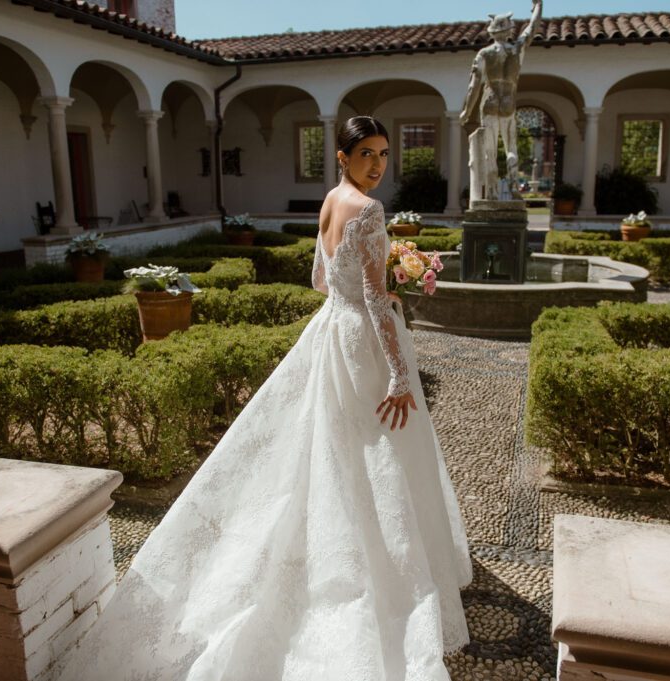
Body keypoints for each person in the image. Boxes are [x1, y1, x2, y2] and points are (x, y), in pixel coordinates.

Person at [56, 115, 472, 681]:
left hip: (329, 332)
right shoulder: (371, 212)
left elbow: (320, 283)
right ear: (343, 156)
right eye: (367, 153)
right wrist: (400, 372)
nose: (377, 164)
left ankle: (326, 550)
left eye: (383, 154)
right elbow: (376, 302)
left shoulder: (330, 200)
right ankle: (379, 570)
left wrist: (370, 284)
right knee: (378, 450)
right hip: (366, 344)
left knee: (332, 446)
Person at [460, 0, 544, 201]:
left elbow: (474, 86)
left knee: (490, 152)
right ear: (508, 30)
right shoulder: (517, 49)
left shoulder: (484, 54)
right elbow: (532, 29)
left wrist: (467, 111)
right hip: (508, 103)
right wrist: (538, 7)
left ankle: (492, 192)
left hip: (489, 103)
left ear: (492, 32)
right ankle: (514, 188)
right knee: (511, 150)